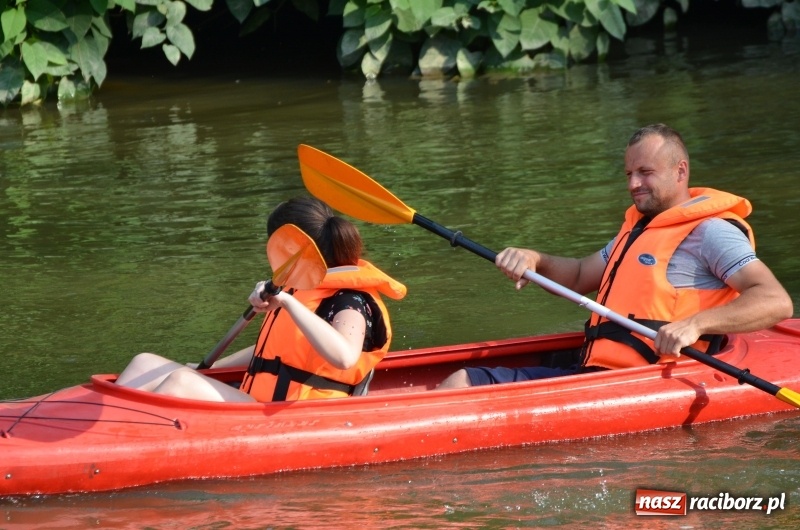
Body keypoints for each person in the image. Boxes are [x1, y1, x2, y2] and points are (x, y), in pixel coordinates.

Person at [438, 123, 793, 389]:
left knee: (462, 382)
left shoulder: (711, 232)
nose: (632, 184)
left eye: (645, 173)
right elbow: (578, 275)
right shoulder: (638, 230)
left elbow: (775, 301)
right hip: (597, 373)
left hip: (643, 381)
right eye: (629, 173)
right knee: (459, 377)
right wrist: (535, 260)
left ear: (680, 171)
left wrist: (695, 325)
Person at [116, 196, 407, 402]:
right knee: (145, 364)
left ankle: (122, 444)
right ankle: (111, 431)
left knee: (180, 383)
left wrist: (288, 303)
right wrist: (211, 369)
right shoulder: (301, 289)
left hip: (297, 415)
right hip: (261, 400)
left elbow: (344, 357)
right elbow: (275, 351)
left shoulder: (350, 301)